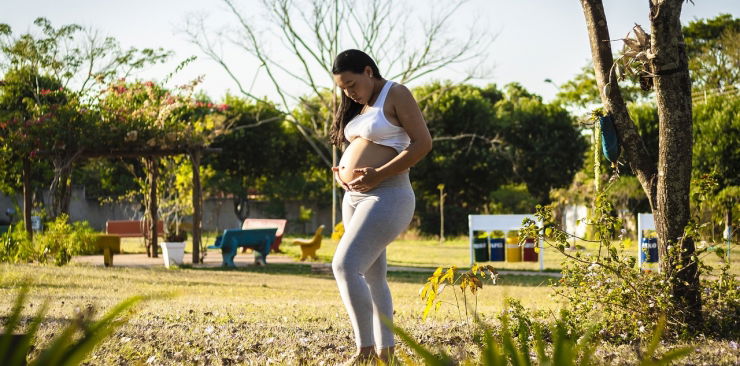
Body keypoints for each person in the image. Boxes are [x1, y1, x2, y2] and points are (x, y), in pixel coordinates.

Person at [329, 49, 432, 365]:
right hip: (355, 198)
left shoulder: (396, 93)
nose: (349, 92)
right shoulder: (361, 106)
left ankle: (365, 352)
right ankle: (386, 355)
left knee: (345, 266)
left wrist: (377, 174)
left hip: (388, 195)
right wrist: (345, 175)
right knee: (374, 278)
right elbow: (362, 150)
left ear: (368, 71)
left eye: (351, 83)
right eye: (343, 88)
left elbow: (423, 144)